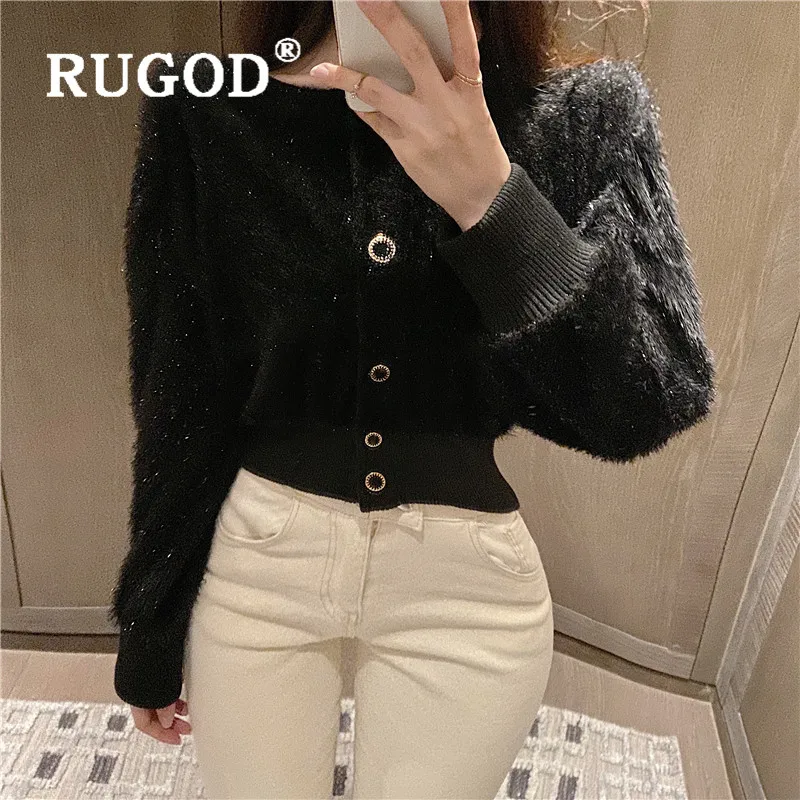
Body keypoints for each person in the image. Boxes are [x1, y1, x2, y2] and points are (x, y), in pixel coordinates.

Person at [109, 1, 717, 798]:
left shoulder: (584, 115)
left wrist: (493, 201)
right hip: (255, 575)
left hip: (467, 599)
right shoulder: (210, 109)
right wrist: (151, 623)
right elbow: (180, 394)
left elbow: (645, 402)